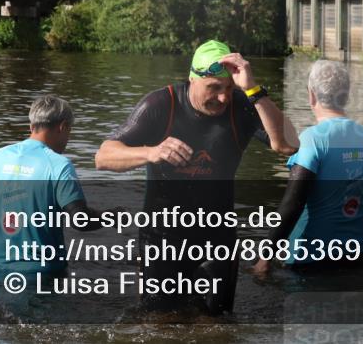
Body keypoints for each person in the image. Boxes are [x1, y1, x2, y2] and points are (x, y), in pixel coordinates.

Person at [95, 39, 298, 315]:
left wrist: (253, 90)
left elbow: (288, 144)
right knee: (158, 322)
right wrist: (151, 152)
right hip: (161, 236)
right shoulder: (161, 104)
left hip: (217, 236)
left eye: (228, 88)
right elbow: (103, 157)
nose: (223, 98)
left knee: (216, 322)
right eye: (214, 88)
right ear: (192, 79)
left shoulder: (242, 105)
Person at [252, 60, 363, 276]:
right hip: (353, 258)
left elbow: (292, 205)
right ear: (347, 95)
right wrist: (359, 244)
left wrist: (264, 257)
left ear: (311, 95)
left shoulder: (311, 141)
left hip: (307, 260)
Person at [0, 95, 108, 278]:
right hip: (45, 275)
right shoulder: (58, 165)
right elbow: (81, 220)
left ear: (32, 126)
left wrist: (5, 223)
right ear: (62, 126)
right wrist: (111, 216)